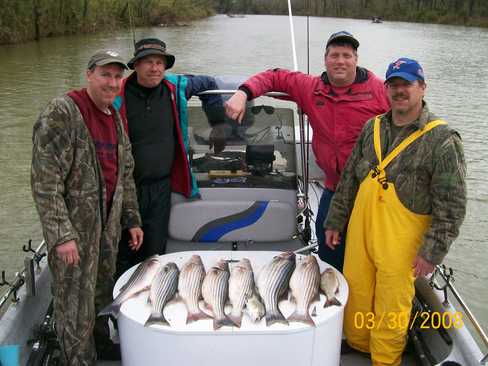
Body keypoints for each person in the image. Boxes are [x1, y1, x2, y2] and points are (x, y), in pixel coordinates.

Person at [325, 58, 466, 365]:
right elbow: (349, 177)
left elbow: (452, 205)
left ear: (422, 88)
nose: (400, 91)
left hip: (402, 241)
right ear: (386, 89)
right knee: (357, 290)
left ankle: (385, 359)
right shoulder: (372, 127)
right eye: (394, 85)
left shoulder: (442, 139)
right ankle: (361, 345)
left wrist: (432, 252)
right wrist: (335, 220)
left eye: (407, 84)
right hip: (362, 230)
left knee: (392, 305)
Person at [224, 31, 389, 271]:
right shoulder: (312, 88)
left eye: (346, 55)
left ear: (356, 59)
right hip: (334, 189)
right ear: (325, 59)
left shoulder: (379, 90)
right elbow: (274, 77)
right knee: (329, 252)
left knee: (372, 257)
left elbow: (409, 115)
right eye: (334, 55)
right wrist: (243, 93)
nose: (340, 61)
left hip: (372, 190)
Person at [31, 50, 143, 364]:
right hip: (74, 235)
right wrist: (61, 235)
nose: (112, 82)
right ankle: (79, 360)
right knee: (74, 308)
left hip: (106, 231)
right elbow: (45, 181)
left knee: (100, 297)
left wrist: (131, 219)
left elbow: (125, 174)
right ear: (89, 75)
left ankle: (100, 345)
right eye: (105, 74)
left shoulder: (115, 116)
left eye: (117, 76)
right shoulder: (64, 112)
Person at [114, 38, 223, 277]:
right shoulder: (117, 93)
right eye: (148, 62)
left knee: (154, 252)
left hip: (162, 187)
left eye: (159, 62)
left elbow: (209, 83)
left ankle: (150, 302)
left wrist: (218, 125)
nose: (155, 68)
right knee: (124, 252)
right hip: (126, 189)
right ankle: (117, 306)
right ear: (136, 65)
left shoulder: (176, 87)